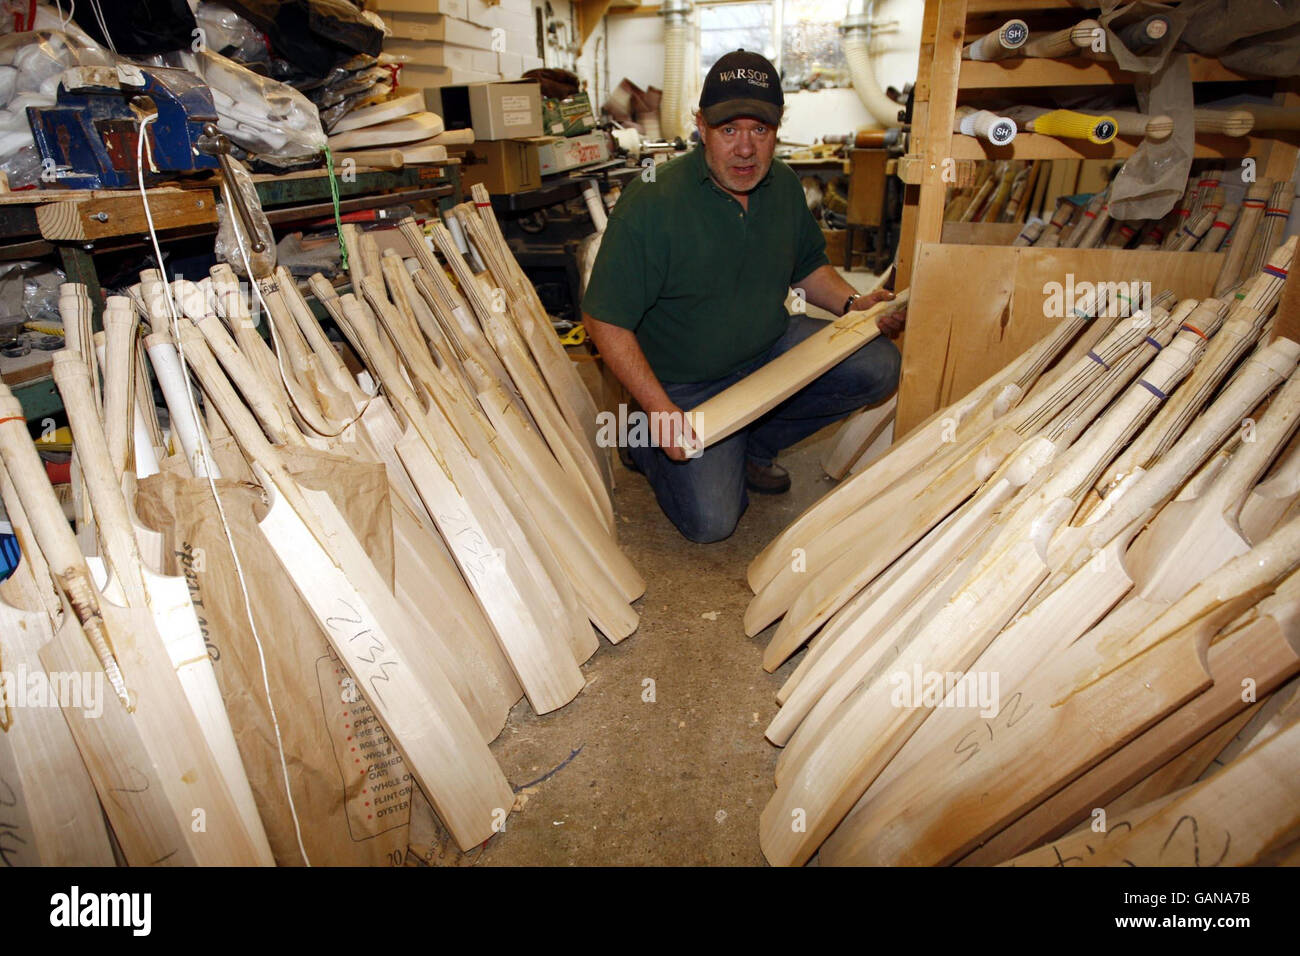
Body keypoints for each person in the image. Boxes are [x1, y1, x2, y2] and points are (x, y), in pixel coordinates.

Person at [582, 49, 904, 543]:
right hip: (682, 386)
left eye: (761, 130)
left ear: (778, 129)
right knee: (712, 523)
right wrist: (662, 411)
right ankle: (641, 439)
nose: (746, 149)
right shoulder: (652, 202)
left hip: (766, 350)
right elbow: (604, 319)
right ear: (701, 127)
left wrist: (850, 305)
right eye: (729, 130)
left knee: (878, 365)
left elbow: (807, 267)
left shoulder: (784, 187)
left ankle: (752, 446)